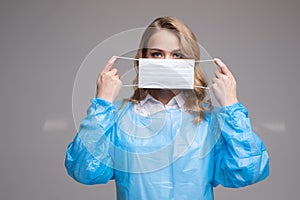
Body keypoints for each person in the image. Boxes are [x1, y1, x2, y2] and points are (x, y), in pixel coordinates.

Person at [65, 16, 269, 200]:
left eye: (177, 55)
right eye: (156, 54)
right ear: (141, 58)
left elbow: (249, 172)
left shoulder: (209, 122)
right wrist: (102, 103)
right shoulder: (118, 118)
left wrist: (231, 105)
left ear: (191, 62)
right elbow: (84, 171)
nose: (166, 63)